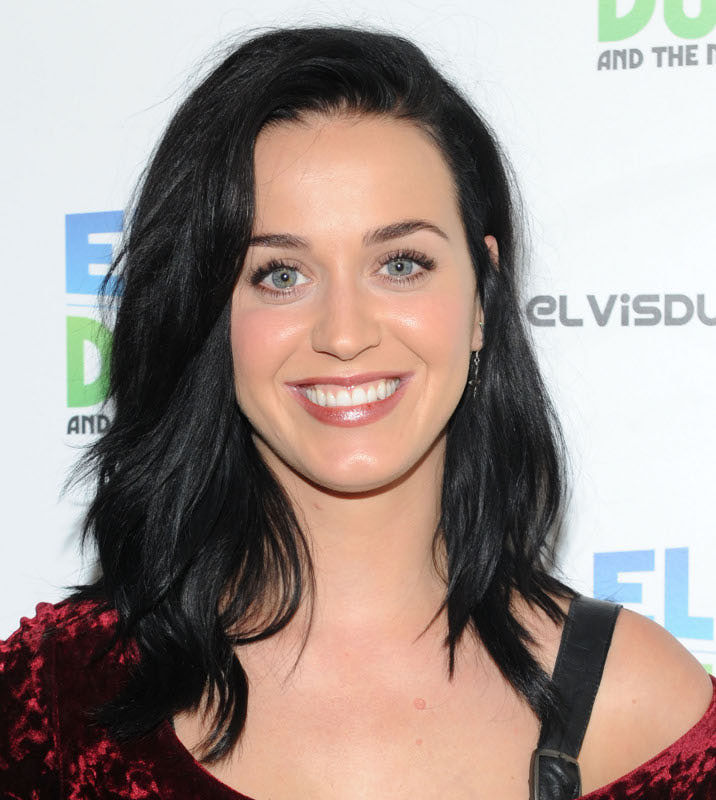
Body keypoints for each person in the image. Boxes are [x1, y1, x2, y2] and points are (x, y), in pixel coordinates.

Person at [1, 26, 714, 800]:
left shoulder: (639, 710)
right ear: (210, 312)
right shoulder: (55, 705)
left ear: (483, 295)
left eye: (400, 264)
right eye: (281, 274)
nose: (344, 334)